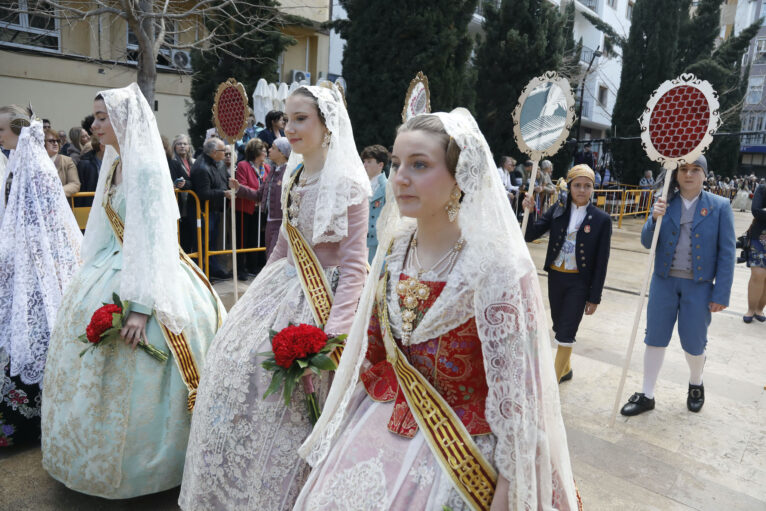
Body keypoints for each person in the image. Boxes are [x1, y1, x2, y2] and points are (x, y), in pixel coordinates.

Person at [295, 109, 580, 510]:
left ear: (461, 176)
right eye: (396, 164)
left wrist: (507, 495)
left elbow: (521, 404)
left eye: (419, 165)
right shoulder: (394, 250)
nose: (400, 178)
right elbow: (374, 358)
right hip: (376, 432)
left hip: (463, 456)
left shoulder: (496, 270)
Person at [179, 83, 370, 511]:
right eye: (288, 118)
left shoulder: (352, 183)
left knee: (287, 396)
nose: (291, 127)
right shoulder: (295, 174)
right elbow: (284, 244)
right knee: (233, 358)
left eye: (302, 118)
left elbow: (356, 266)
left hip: (328, 297)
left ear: (328, 124)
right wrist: (252, 302)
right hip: (283, 285)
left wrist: (332, 338)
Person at [41, 83, 225, 498]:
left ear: (125, 121)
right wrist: (87, 277)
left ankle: (153, 463)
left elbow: (155, 239)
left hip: (150, 274)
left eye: (103, 117)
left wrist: (140, 307)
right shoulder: (113, 162)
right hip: (112, 265)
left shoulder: (143, 168)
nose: (96, 124)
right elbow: (106, 230)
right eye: (96, 117)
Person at [620, 155, 735, 416]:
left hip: (699, 285)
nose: (689, 175)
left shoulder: (720, 207)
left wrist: (721, 293)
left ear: (705, 175)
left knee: (694, 342)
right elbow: (647, 242)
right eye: (684, 169)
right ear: (677, 173)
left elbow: (727, 254)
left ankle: (696, 383)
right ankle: (647, 394)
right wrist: (653, 218)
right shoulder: (664, 202)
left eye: (696, 170)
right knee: (655, 337)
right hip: (664, 281)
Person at [0, 108, 82, 448]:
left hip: (39, 269)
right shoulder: (18, 166)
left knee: (36, 333)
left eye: (2, 129)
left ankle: (25, 423)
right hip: (25, 265)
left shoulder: (37, 171)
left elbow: (44, 226)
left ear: (18, 131)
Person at [523, 164, 612, 384]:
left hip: (580, 282)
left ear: (593, 189)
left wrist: (595, 297)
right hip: (556, 276)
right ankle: (566, 369)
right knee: (558, 325)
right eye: (577, 185)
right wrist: (530, 210)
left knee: (567, 331)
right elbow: (530, 233)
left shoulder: (602, 220)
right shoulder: (557, 210)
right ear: (570, 187)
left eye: (587, 186)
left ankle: (552, 382)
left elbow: (602, 263)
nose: (582, 190)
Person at [230, 137, 291, 260]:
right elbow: (259, 195)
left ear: (282, 153)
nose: (269, 150)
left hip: (282, 224)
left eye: (273, 148)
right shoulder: (272, 171)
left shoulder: (289, 172)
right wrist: (239, 188)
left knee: (275, 260)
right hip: (269, 223)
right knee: (270, 256)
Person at [190, 137, 231, 280]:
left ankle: (212, 268)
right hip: (202, 211)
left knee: (211, 241)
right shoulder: (202, 167)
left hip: (214, 210)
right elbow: (203, 193)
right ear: (214, 152)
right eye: (223, 151)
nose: (226, 154)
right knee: (201, 242)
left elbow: (224, 179)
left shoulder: (217, 163)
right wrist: (223, 193)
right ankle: (200, 273)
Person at [234, 138, 271, 279]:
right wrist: (257, 194)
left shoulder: (266, 168)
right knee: (242, 239)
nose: (266, 154)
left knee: (256, 239)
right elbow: (241, 184)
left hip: (260, 210)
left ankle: (254, 266)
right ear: (255, 152)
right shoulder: (243, 165)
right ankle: (241, 269)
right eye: (263, 151)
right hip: (245, 208)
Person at [362, 144, 389, 263]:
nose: (365, 165)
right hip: (360, 244)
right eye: (364, 161)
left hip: (379, 247)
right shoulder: (361, 186)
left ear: (380, 164)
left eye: (369, 161)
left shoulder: (388, 187)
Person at [744, 183, 766, 323]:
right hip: (760, 237)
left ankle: (760, 309)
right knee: (758, 274)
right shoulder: (763, 188)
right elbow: (756, 210)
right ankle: (751, 309)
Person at [171, 134, 196, 253]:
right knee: (182, 237)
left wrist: (188, 184)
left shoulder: (194, 162)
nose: (182, 146)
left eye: (185, 144)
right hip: (179, 204)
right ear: (174, 146)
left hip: (192, 203)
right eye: (179, 144)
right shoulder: (172, 162)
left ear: (189, 146)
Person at [44, 128, 80, 197]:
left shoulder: (67, 161)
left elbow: (75, 184)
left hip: (61, 203)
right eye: (51, 141)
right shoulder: (36, 162)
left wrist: (57, 192)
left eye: (57, 141)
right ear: (43, 143)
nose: (55, 143)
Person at [76, 134, 104, 207]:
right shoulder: (84, 164)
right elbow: (81, 189)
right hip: (91, 207)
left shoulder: (115, 162)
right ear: (102, 147)